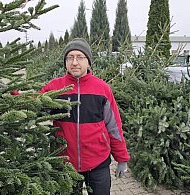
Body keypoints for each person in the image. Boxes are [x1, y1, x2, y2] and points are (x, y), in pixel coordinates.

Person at [40, 38, 130, 195]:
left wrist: (121, 158)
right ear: (65, 63)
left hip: (98, 163)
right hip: (65, 163)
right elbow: (33, 102)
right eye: (70, 57)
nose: (74, 62)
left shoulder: (102, 89)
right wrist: (12, 94)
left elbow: (114, 127)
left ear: (88, 62)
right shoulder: (55, 88)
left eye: (80, 57)